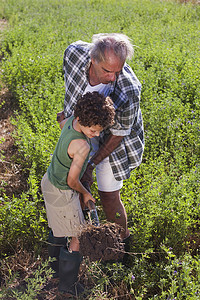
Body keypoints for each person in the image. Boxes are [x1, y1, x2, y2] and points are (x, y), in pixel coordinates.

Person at [57, 33, 144, 246]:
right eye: (107, 71)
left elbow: (118, 134)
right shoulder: (74, 54)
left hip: (112, 143)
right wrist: (69, 121)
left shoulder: (129, 88)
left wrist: (92, 163)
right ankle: (79, 241)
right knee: (74, 188)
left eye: (119, 70)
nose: (113, 77)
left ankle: (121, 246)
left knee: (109, 195)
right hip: (80, 132)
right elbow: (69, 82)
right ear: (93, 59)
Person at [41, 92, 115, 295]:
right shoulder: (81, 146)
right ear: (82, 120)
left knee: (59, 227)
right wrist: (85, 194)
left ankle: (53, 270)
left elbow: (61, 121)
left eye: (100, 131)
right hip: (62, 191)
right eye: (93, 130)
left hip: (49, 181)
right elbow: (72, 181)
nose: (97, 135)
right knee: (79, 235)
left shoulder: (71, 121)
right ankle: (67, 287)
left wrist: (61, 119)